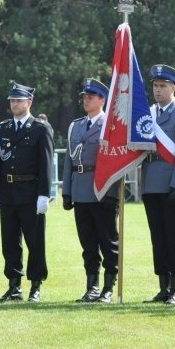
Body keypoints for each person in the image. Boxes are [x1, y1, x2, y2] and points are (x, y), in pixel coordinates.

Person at [0, 83, 53, 303]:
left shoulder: (40, 128)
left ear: (29, 103)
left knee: (35, 241)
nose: (14, 104)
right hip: (8, 192)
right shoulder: (4, 128)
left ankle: (36, 285)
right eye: (12, 101)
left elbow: (46, 164)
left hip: (30, 192)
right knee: (10, 242)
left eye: (19, 100)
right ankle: (14, 285)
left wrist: (44, 194)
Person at [140, 65, 175, 305]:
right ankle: (163, 287)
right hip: (151, 182)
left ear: (173, 88)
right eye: (155, 85)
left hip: (173, 183)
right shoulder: (148, 114)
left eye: (163, 86)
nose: (158, 90)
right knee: (158, 237)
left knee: (174, 237)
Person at [62, 78, 119, 303]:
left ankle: (108, 288)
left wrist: (112, 193)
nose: (86, 101)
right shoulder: (76, 125)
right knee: (88, 243)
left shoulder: (111, 125)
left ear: (102, 100)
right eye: (84, 97)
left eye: (91, 97)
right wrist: (67, 190)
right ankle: (92, 287)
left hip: (102, 189)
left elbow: (116, 160)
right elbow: (69, 159)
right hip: (80, 189)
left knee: (108, 242)